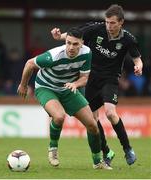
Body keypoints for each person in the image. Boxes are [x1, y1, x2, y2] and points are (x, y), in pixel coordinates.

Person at [51, 4, 143, 166]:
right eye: (107, 22)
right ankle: (107, 151)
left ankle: (128, 149)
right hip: (90, 79)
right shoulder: (96, 29)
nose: (109, 26)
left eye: (113, 23)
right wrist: (59, 36)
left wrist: (138, 66)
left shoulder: (128, 39)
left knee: (110, 113)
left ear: (121, 22)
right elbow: (75, 35)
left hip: (110, 79)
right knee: (91, 120)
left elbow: (137, 58)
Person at [17, 27, 112, 170]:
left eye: (75, 44)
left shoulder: (86, 53)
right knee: (59, 116)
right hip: (46, 87)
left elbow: (84, 78)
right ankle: (53, 149)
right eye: (68, 43)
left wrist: (75, 84)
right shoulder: (54, 55)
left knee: (93, 125)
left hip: (67, 88)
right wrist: (23, 85)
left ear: (82, 43)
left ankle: (98, 162)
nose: (71, 47)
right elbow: (30, 64)